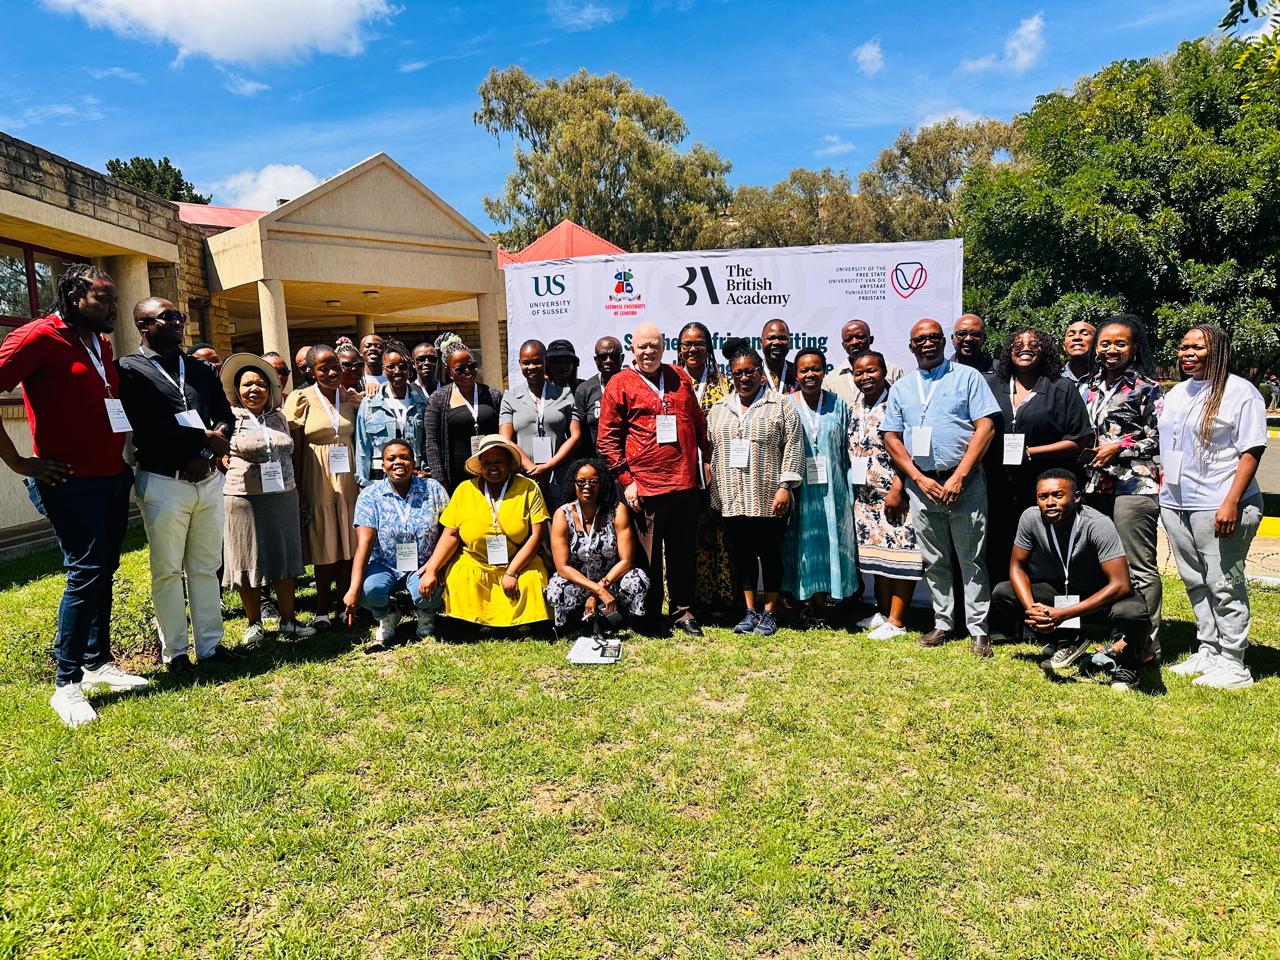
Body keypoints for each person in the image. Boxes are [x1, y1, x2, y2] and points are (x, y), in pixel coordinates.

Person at [0, 264, 146, 726]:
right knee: (85, 571)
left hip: (110, 475)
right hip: (69, 482)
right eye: (103, 300)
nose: (113, 309)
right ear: (73, 295)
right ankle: (66, 685)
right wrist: (19, 461)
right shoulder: (36, 338)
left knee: (105, 567)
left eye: (115, 301)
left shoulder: (99, 342)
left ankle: (98, 661)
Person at [118, 298, 236, 674]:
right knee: (167, 569)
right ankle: (176, 653)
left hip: (207, 479)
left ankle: (211, 646)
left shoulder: (199, 369)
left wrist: (206, 449)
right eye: (167, 318)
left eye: (179, 316)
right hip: (164, 481)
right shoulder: (129, 370)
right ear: (143, 326)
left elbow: (225, 416)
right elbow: (147, 424)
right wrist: (199, 442)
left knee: (205, 565)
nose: (178, 323)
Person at [881, 318, 1000, 655]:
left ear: (945, 341)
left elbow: (986, 426)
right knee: (935, 559)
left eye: (934, 337)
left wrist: (961, 474)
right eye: (920, 339)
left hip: (965, 482)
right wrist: (917, 478)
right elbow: (891, 436)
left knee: (972, 558)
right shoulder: (903, 387)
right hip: (923, 484)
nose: (928, 344)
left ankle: (978, 629)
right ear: (911, 346)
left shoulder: (968, 377)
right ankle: (944, 622)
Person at [1159, 325, 1266, 689]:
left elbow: (1252, 450)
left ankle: (1235, 663)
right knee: (1194, 579)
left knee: (1224, 582)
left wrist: (1231, 501)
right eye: (1184, 346)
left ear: (1218, 350)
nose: (1188, 353)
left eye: (1198, 347)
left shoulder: (1241, 392)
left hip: (1220, 504)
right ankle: (1210, 648)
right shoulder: (1177, 392)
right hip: (1177, 503)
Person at [990, 469, 1150, 692]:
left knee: (1132, 613)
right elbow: (1017, 567)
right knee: (1003, 594)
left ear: (1076, 497)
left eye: (1058, 495)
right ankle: (1067, 641)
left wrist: (1062, 615)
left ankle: (1130, 665)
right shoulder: (1030, 518)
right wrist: (1033, 611)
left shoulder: (1097, 524)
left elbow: (1121, 584)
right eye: (1043, 497)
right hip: (1068, 590)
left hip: (1106, 596)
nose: (1050, 503)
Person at [597, 321, 710, 636]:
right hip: (645, 484)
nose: (649, 351)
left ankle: (683, 611)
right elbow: (607, 439)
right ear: (633, 349)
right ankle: (647, 613)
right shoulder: (620, 383)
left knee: (683, 552)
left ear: (664, 347)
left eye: (655, 346)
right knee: (647, 557)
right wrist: (626, 479)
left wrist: (707, 458)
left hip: (685, 481)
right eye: (643, 346)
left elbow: (698, 421)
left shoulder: (678, 377)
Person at [707, 338, 804, 636]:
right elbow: (712, 452)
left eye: (750, 372)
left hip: (767, 498)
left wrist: (785, 486)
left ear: (761, 372)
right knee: (742, 556)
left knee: (770, 555)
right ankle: (749, 612)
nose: (744, 378)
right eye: (738, 373)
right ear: (731, 376)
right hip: (732, 498)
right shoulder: (719, 409)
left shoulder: (781, 405)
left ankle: (770, 613)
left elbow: (794, 446)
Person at [1081, 315, 1164, 664]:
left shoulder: (1149, 388)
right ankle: (1114, 632)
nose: (1111, 349)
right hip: (1093, 486)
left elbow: (1159, 438)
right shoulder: (1086, 385)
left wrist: (1119, 447)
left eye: (1120, 343)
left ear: (1134, 348)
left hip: (1134, 485)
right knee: (1103, 564)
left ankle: (1146, 644)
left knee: (1138, 566)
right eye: (1105, 343)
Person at [982, 327, 1092, 579]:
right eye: (1018, 344)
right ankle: (1003, 606)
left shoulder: (1061, 388)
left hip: (1043, 485)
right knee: (1000, 545)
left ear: (1046, 352)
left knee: (1042, 547)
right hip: (998, 485)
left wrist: (1031, 452)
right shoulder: (992, 386)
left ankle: (1044, 606)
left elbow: (1080, 439)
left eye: (1034, 344)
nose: (1025, 348)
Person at [219, 353, 313, 644]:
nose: (254, 390)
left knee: (283, 558)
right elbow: (216, 449)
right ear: (237, 389)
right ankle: (254, 623)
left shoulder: (278, 417)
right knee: (247, 560)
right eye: (247, 385)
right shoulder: (228, 418)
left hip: (282, 495)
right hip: (243, 498)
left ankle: (288, 621)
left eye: (260, 384)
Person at [420, 435, 551, 630]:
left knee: (532, 579)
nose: (493, 467)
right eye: (487, 463)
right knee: (459, 576)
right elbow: (451, 534)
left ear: (509, 463)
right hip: (477, 560)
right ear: (480, 465)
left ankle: (521, 622)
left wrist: (512, 572)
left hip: (519, 560)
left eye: (499, 461)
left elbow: (536, 535)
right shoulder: (465, 489)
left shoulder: (528, 488)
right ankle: (481, 621)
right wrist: (431, 570)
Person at [344, 438, 450, 648]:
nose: (398, 462)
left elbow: (450, 529)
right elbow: (364, 543)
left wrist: (434, 567)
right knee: (369, 590)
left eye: (404, 457)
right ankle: (387, 614)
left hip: (424, 563)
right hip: (384, 564)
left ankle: (425, 612)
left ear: (414, 462)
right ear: (382, 464)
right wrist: (353, 587)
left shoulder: (433, 488)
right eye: (391, 459)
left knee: (429, 592)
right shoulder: (370, 495)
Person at [847, 351, 924, 638]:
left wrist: (898, 487)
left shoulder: (898, 404)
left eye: (871, 371)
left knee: (903, 555)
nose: (865, 378)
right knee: (880, 557)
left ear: (885, 372)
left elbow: (910, 451)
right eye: (859, 372)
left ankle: (898, 621)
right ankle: (882, 612)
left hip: (894, 494)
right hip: (865, 497)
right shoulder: (856, 405)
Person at [284, 345, 362, 627]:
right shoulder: (301, 398)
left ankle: (344, 602)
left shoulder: (351, 397)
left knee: (346, 539)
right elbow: (296, 448)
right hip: (317, 476)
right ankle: (320, 607)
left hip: (349, 476)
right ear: (310, 371)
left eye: (335, 367)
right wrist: (299, 489)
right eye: (323, 368)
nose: (331, 373)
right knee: (323, 539)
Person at [782, 347, 857, 624]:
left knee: (833, 544)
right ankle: (808, 603)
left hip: (833, 491)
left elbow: (849, 449)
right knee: (804, 546)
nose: (810, 374)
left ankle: (831, 601)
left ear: (824, 371)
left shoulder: (839, 404)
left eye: (816, 369)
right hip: (801, 494)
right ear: (796, 374)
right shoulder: (786, 405)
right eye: (804, 370)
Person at [546, 458, 650, 633]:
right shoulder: (562, 514)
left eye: (594, 481)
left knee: (638, 579)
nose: (587, 486)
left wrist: (598, 591)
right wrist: (596, 590)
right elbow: (562, 567)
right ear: (574, 484)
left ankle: (630, 620)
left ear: (602, 484)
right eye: (581, 482)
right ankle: (568, 624)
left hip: (611, 581)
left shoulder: (617, 510)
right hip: (578, 581)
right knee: (556, 588)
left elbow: (627, 561)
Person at [677, 321, 736, 615]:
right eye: (686, 344)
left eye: (699, 343)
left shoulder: (725, 383)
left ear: (708, 348)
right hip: (683, 471)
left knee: (722, 534)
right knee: (689, 536)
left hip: (721, 469)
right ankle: (694, 599)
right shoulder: (672, 382)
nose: (692, 349)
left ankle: (723, 597)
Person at [500, 339, 580, 501]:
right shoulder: (510, 397)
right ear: (520, 364)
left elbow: (575, 435)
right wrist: (530, 467)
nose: (531, 367)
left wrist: (549, 465)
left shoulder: (564, 394)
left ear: (546, 362)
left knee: (560, 522)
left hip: (559, 475)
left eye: (537, 362)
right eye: (525, 363)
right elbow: (505, 439)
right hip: (524, 477)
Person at [424, 334, 503, 491]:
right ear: (450, 372)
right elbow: (432, 443)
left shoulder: (493, 395)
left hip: (492, 472)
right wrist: (441, 481)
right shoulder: (438, 399)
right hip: (455, 478)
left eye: (472, 366)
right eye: (460, 369)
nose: (467, 371)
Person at [354, 340, 429, 487]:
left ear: (410, 369)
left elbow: (426, 444)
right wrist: (363, 483)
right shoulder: (370, 403)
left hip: (415, 478)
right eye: (391, 367)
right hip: (379, 481)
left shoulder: (422, 403)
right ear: (383, 369)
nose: (397, 371)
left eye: (402, 367)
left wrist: (427, 470)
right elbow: (363, 446)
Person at [828, 319, 904, 408]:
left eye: (860, 337)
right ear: (843, 345)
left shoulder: (893, 371)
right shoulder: (831, 379)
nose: (854, 342)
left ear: (871, 339)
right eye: (849, 339)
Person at [573, 335, 623, 459]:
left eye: (614, 356)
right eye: (603, 357)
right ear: (596, 360)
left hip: (627, 462)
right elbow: (581, 435)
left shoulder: (633, 386)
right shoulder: (584, 390)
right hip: (596, 463)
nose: (608, 360)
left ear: (622, 358)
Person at [1061, 320, 1096, 400]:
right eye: (1071, 335)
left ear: (1097, 342)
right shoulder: (1053, 379)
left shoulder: (1107, 379)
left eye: (1084, 334)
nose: (1076, 338)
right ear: (1064, 346)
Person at [760, 318, 797, 393]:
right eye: (771, 338)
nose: (777, 342)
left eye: (782, 338)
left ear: (790, 342)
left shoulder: (798, 373)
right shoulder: (753, 374)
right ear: (761, 342)